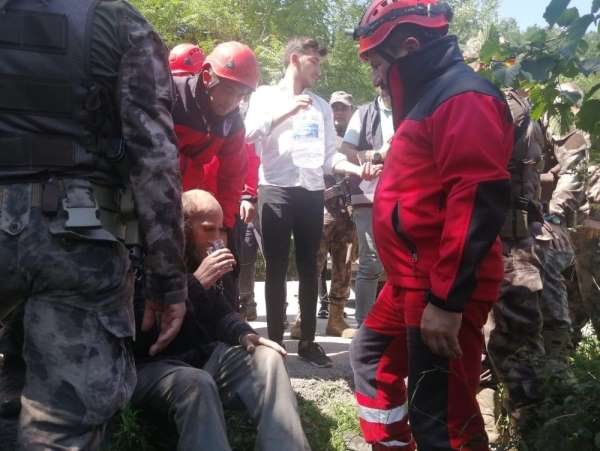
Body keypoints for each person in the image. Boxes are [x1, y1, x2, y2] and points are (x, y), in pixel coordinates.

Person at [0, 0, 187, 447]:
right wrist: (168, 280)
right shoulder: (118, 21)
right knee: (61, 427)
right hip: (75, 237)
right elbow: (154, 156)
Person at [349, 1, 513, 450]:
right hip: (411, 280)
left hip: (439, 283)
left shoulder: (463, 97)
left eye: (378, 64)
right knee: (371, 358)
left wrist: (446, 300)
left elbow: (477, 197)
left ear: (410, 46)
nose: (376, 78)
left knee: (440, 410)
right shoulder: (428, 97)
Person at [132, 190, 311, 451]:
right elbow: (141, 337)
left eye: (221, 230)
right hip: (154, 368)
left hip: (204, 358)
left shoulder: (207, 260)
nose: (218, 239)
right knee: (196, 383)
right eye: (208, 230)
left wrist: (244, 333)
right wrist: (194, 285)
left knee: (267, 358)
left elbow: (222, 314)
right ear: (181, 228)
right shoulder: (148, 260)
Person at [245, 37, 380, 367]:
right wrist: (286, 111)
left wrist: (355, 169)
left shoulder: (320, 106)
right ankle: (274, 341)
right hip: (274, 188)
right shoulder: (265, 96)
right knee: (276, 267)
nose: (319, 69)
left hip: (310, 192)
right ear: (295, 59)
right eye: (314, 62)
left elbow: (328, 158)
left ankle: (307, 341)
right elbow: (249, 134)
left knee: (310, 266)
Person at [173, 41, 260, 308]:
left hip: (197, 199)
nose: (234, 102)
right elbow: (154, 161)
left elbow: (233, 176)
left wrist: (224, 229)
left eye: (242, 95)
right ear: (208, 76)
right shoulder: (172, 97)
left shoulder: (233, 120)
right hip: (161, 195)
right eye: (230, 91)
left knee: (224, 263)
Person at [485, 89, 547, 425]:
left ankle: (528, 430)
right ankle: (498, 425)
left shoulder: (503, 105)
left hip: (507, 242)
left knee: (516, 343)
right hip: (505, 239)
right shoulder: (511, 104)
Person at [536, 83, 589, 377]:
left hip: (567, 225)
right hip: (567, 224)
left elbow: (574, 169)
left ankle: (560, 375)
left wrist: (555, 217)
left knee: (563, 303)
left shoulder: (558, 114)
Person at [340, 87, 393, 326]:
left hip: (406, 194)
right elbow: (346, 151)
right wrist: (377, 156)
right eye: (381, 82)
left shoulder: (412, 108)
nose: (386, 86)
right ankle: (364, 327)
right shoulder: (363, 114)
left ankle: (392, 326)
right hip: (369, 196)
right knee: (371, 261)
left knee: (403, 262)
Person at [313, 91, 358, 337]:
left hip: (347, 214)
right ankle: (304, 319)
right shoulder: (321, 135)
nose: (338, 112)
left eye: (343, 108)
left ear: (351, 111)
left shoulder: (356, 140)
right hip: (319, 211)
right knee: (312, 264)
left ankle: (336, 320)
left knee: (344, 266)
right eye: (335, 108)